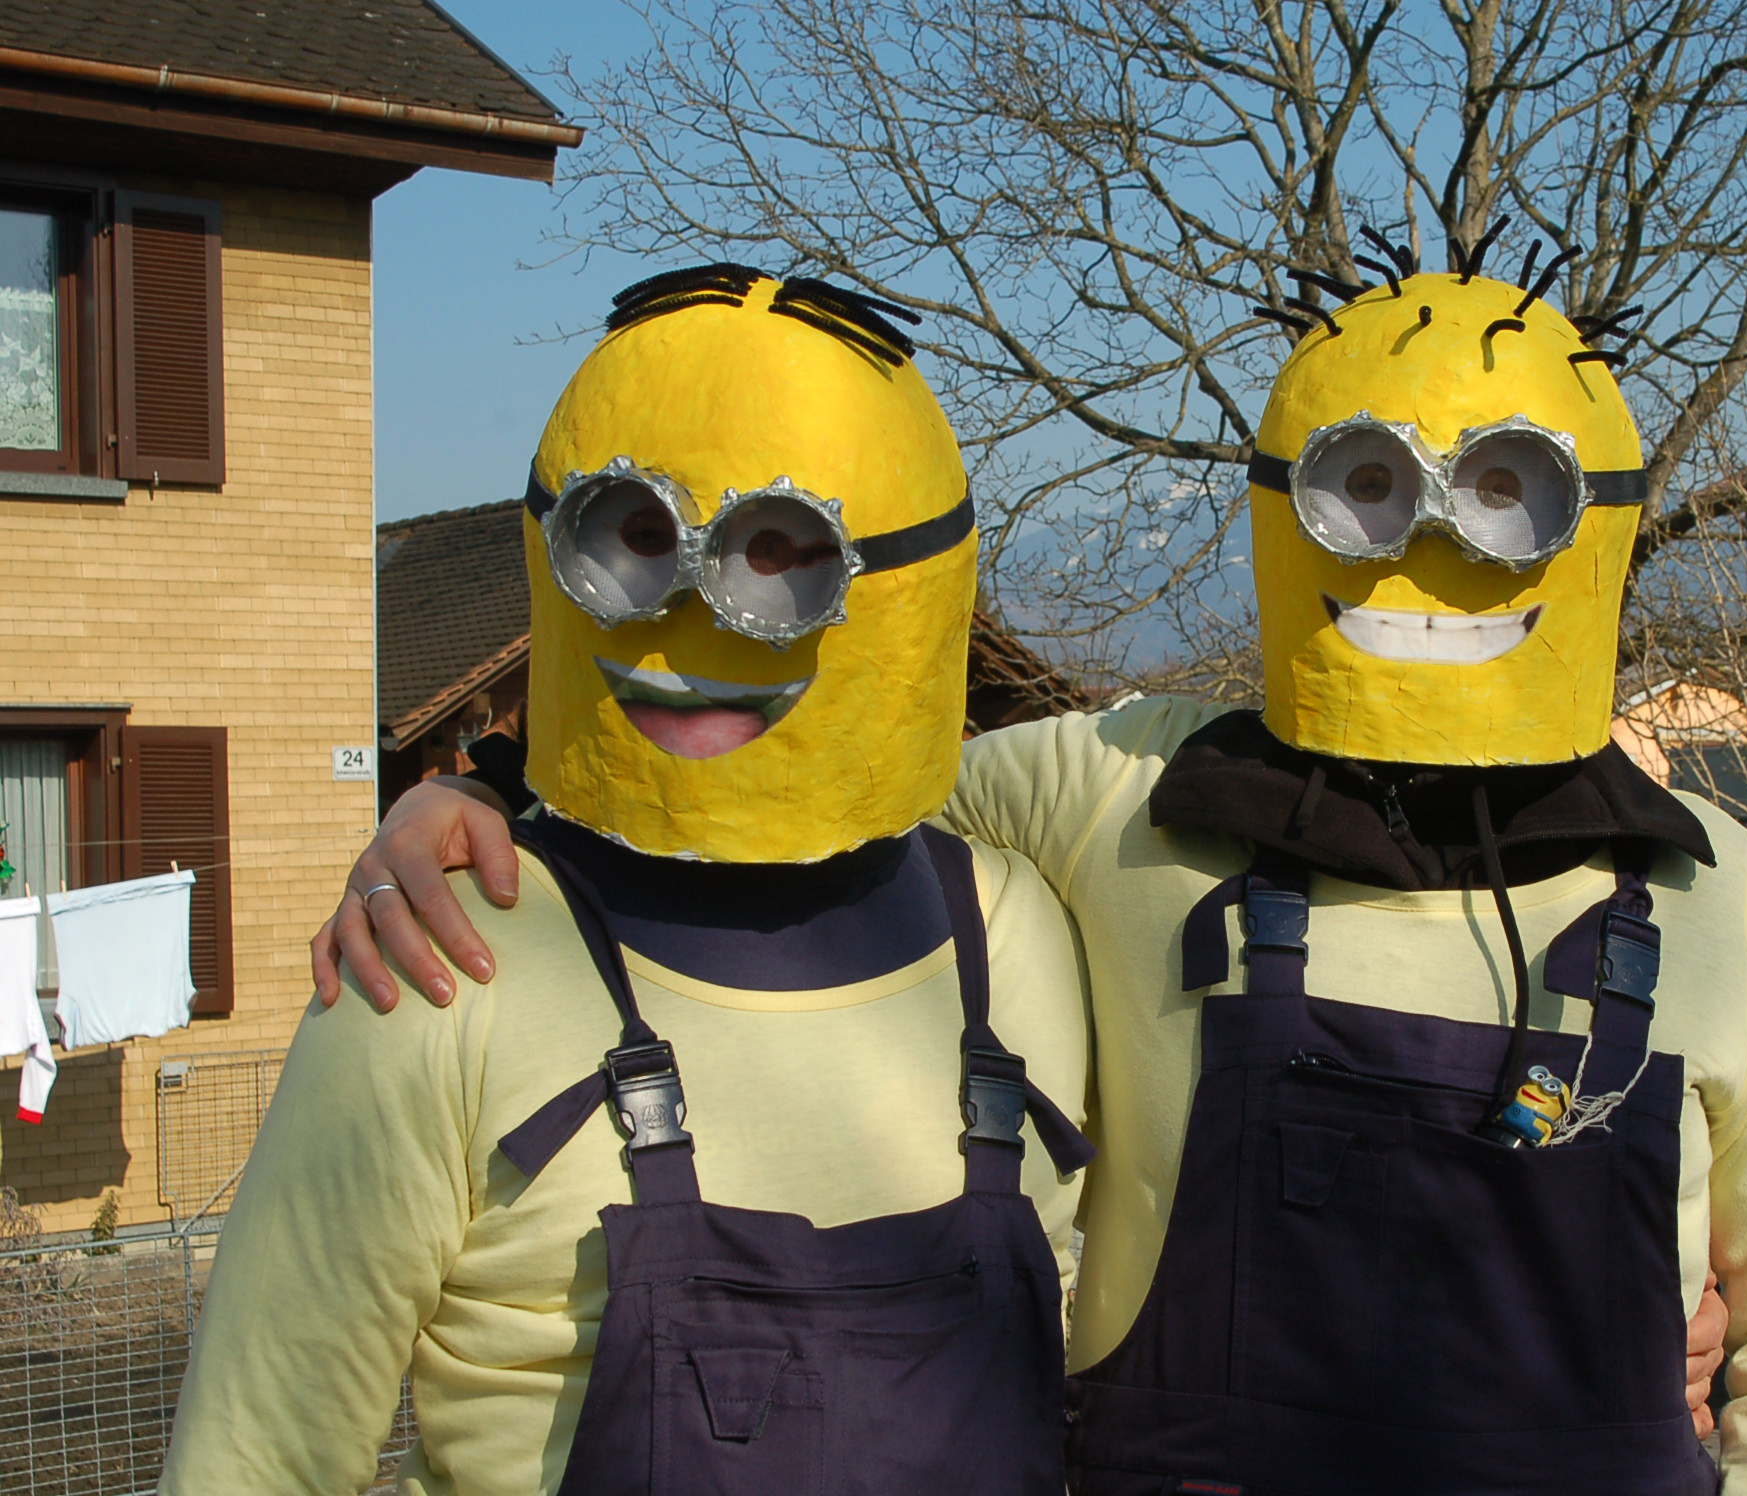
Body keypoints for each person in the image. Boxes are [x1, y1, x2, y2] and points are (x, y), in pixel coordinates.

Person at [321, 240, 1747, 1492]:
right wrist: (491, 793)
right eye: (1367, 488)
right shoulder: (1120, 794)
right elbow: (798, 776)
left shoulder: (1710, 891)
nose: (1429, 547)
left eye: (1504, 497)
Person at [164, 267, 1094, 1495]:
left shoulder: (1015, 934)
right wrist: (485, 788)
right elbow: (257, 1457)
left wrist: (482, 781)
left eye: (784, 552)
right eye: (641, 538)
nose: (700, 621)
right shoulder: (441, 967)